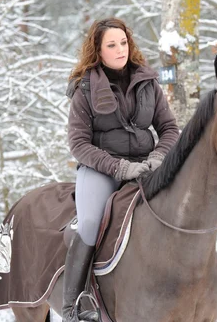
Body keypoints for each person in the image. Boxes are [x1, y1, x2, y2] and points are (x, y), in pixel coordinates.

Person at [63, 18, 179, 322]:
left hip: (147, 166)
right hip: (101, 169)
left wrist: (157, 158)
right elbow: (78, 144)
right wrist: (119, 167)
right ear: (98, 51)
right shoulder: (84, 87)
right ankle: (76, 304)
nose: (120, 50)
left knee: (184, 207)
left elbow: (168, 128)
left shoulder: (148, 81)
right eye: (111, 45)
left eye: (123, 43)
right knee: (89, 223)